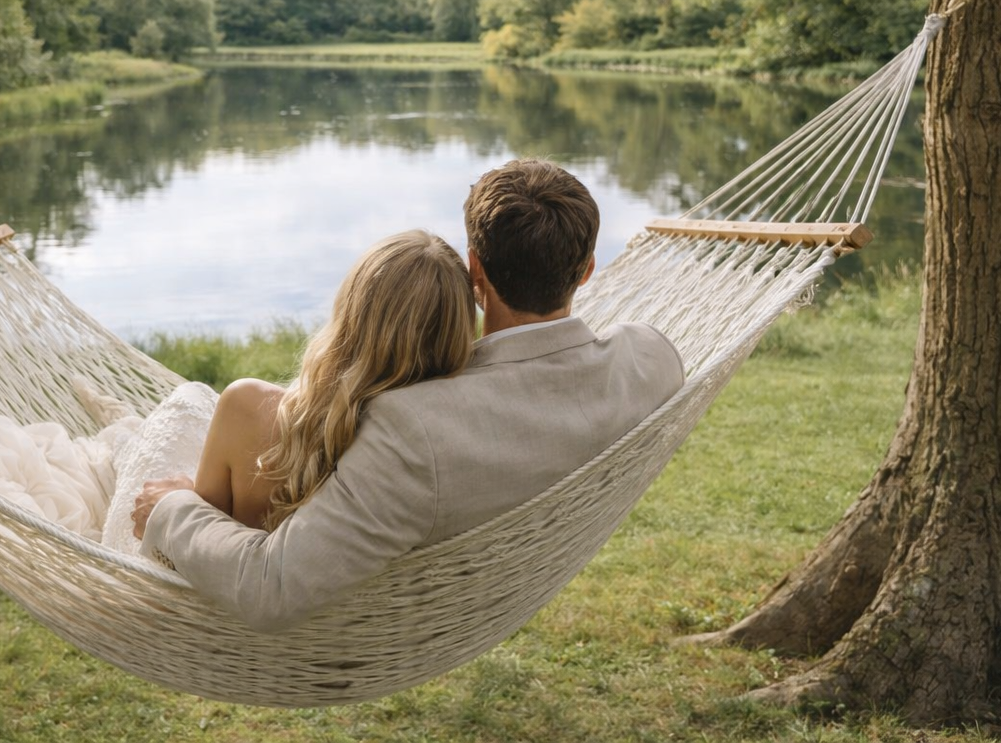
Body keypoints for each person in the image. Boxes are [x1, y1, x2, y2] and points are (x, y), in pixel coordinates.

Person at [131, 159, 685, 632]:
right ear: (587, 271)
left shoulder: (414, 428)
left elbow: (271, 587)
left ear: (475, 272)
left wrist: (173, 508)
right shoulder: (650, 361)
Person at [190, 229, 476, 533]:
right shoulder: (445, 447)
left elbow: (189, 547)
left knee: (189, 400)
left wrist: (178, 502)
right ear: (458, 333)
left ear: (351, 312)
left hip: (243, 574)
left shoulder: (249, 408)